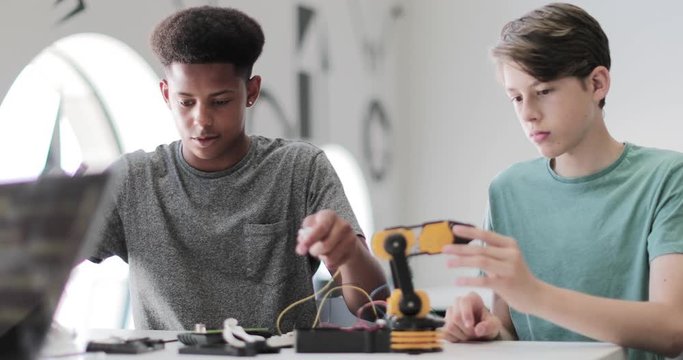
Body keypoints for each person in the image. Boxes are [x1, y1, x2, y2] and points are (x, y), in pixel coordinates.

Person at [90, 5, 387, 332]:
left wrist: (350, 256)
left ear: (251, 92)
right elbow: (39, 269)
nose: (201, 120)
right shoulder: (133, 180)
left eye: (219, 102)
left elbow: (375, 307)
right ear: (166, 94)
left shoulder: (299, 169)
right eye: (186, 102)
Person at [441, 3, 683, 359]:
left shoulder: (666, 178)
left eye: (544, 91)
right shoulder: (508, 190)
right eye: (516, 97)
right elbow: (510, 327)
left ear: (597, 83)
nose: (528, 114)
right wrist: (488, 329)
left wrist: (535, 296)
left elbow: (673, 328)